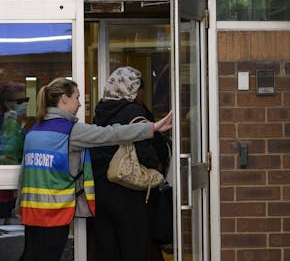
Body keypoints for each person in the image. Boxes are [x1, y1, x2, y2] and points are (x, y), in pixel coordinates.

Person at [16, 77, 173, 261]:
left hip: (32, 213)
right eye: (76, 98)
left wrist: (20, 206)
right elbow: (112, 134)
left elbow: (23, 176)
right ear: (64, 99)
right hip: (55, 215)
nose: (80, 104)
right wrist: (152, 128)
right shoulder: (70, 130)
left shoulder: (34, 130)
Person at [90, 66, 170, 261]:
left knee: (109, 248)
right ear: (133, 89)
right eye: (141, 88)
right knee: (134, 246)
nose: (143, 93)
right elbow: (144, 151)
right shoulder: (133, 111)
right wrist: (157, 168)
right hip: (128, 191)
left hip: (101, 189)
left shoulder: (100, 110)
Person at [0, 81, 28, 225]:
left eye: (26, 100)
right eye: (20, 101)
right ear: (7, 103)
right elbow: (8, 152)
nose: (24, 104)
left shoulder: (14, 122)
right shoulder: (9, 123)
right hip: (7, 181)